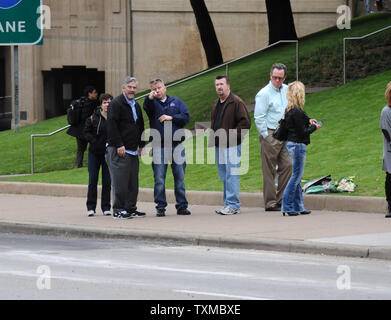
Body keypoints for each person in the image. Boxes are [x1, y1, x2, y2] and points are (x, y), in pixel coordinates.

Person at [143, 78, 191, 217]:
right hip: (159, 147)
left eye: (159, 88)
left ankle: (182, 206)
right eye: (154, 89)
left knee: (180, 178)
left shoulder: (176, 102)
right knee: (159, 178)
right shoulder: (151, 104)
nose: (157, 91)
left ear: (165, 88)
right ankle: (160, 207)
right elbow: (147, 107)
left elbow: (185, 117)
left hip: (177, 146)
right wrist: (149, 98)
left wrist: (171, 117)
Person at [105, 77, 146, 219]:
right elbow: (112, 125)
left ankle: (130, 208)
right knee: (120, 182)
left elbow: (140, 126)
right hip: (119, 149)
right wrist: (119, 144)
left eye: (134, 87)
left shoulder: (136, 105)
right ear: (123, 88)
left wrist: (142, 145)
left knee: (133, 182)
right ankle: (118, 209)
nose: (132, 90)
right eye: (129, 87)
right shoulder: (116, 104)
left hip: (133, 150)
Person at [210, 75, 251, 215]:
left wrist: (231, 137)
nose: (219, 87)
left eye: (221, 84)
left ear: (228, 86)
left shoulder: (236, 102)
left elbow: (245, 123)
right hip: (219, 145)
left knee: (231, 174)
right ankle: (228, 203)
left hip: (232, 145)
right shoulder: (217, 103)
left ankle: (233, 205)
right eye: (217, 85)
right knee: (224, 175)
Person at [254, 63, 292, 212]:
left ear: (284, 78)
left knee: (288, 165)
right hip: (270, 132)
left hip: (285, 132)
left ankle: (282, 199)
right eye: (275, 77)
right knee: (269, 170)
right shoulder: (264, 94)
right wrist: (267, 137)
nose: (277, 80)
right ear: (270, 76)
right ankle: (270, 203)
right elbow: (259, 117)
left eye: (280, 78)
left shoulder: (287, 90)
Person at [281, 81, 321, 216]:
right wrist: (314, 127)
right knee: (296, 176)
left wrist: (310, 120)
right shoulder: (296, 111)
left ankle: (298, 205)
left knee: (297, 176)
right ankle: (287, 205)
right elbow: (303, 132)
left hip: (291, 144)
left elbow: (303, 119)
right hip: (298, 145)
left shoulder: (290, 109)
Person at [83, 93, 113, 217]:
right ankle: (91, 207)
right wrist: (94, 141)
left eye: (109, 102)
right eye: (105, 102)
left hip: (108, 154)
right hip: (94, 153)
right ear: (101, 104)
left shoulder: (114, 117)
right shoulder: (93, 117)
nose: (107, 105)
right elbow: (86, 132)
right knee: (92, 180)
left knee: (107, 181)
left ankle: (106, 207)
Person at [67, 86, 99, 168]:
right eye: (94, 92)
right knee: (93, 146)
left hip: (78, 130)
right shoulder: (90, 104)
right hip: (86, 130)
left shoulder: (81, 102)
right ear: (89, 94)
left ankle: (78, 165)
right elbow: (87, 118)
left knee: (80, 149)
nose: (96, 94)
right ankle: (92, 164)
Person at [380, 81, 391, 218]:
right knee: (390, 177)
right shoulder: (386, 111)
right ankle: (390, 205)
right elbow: (386, 132)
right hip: (390, 151)